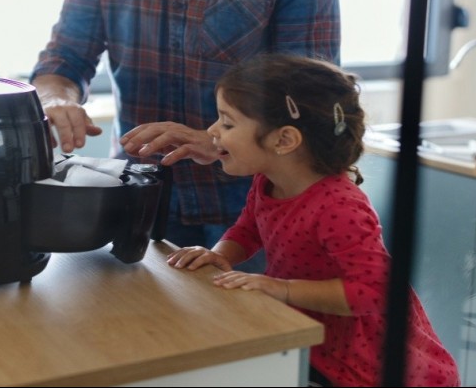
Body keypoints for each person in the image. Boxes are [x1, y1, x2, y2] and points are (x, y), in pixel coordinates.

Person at [29, 0, 340, 265]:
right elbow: (65, 58)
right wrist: (55, 101)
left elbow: (309, 102)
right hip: (139, 196)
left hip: (253, 209)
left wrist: (218, 141)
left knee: (256, 328)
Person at [166, 53, 460, 387]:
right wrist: (221, 254)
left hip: (364, 362)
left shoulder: (338, 205)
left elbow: (375, 291)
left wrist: (282, 289)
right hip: (315, 340)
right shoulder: (268, 181)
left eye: (227, 123)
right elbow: (249, 229)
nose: (212, 131)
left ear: (284, 140)